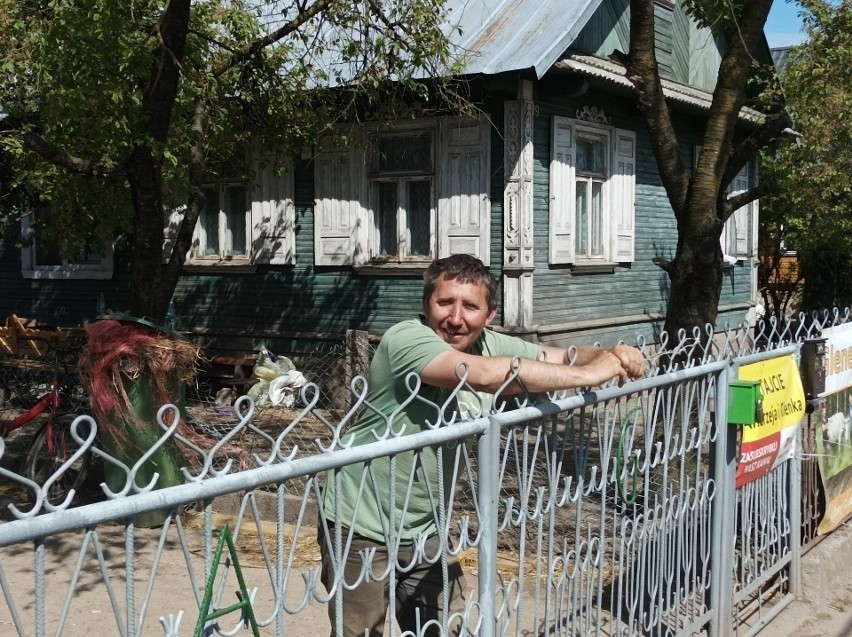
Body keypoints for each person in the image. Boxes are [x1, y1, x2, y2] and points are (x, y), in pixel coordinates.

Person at [318, 254, 645, 637]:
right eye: (445, 303)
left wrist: (612, 354)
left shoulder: (490, 342)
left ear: (490, 315)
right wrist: (590, 374)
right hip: (360, 519)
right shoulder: (407, 338)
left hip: (425, 527)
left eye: (470, 307)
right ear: (427, 305)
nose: (456, 318)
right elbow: (487, 376)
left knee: (445, 626)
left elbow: (566, 356)